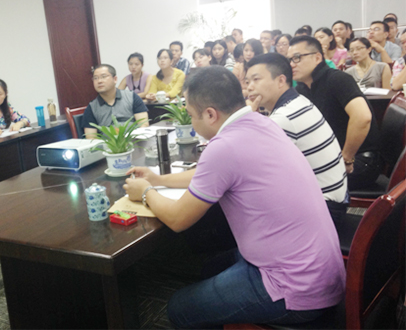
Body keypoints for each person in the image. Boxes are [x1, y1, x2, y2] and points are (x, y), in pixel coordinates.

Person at [123, 66, 345, 328]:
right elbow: (209, 174)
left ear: (210, 114)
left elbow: (177, 219)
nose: (192, 124)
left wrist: (145, 192)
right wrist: (158, 180)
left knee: (178, 309)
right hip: (320, 271)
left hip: (293, 288)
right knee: (209, 268)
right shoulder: (262, 122)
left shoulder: (224, 146)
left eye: (191, 116)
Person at [244, 53, 348, 229]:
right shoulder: (297, 100)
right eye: (247, 82)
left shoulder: (283, 118)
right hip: (336, 198)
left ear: (281, 80)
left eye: (256, 79)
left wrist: (245, 121)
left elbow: (249, 168)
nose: (250, 88)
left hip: (324, 211)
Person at [290, 36, 381, 190]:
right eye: (289, 59)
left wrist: (346, 158)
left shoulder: (337, 79)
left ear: (317, 57)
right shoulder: (302, 88)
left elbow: (362, 117)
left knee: (295, 183)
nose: (292, 64)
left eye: (297, 58)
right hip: (330, 156)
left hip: (360, 160)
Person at [83, 64, 148, 139]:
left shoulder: (132, 97)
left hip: (134, 142)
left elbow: (143, 124)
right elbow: (91, 138)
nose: (99, 81)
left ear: (115, 79)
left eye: (103, 77)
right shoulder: (91, 108)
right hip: (108, 145)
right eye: (95, 78)